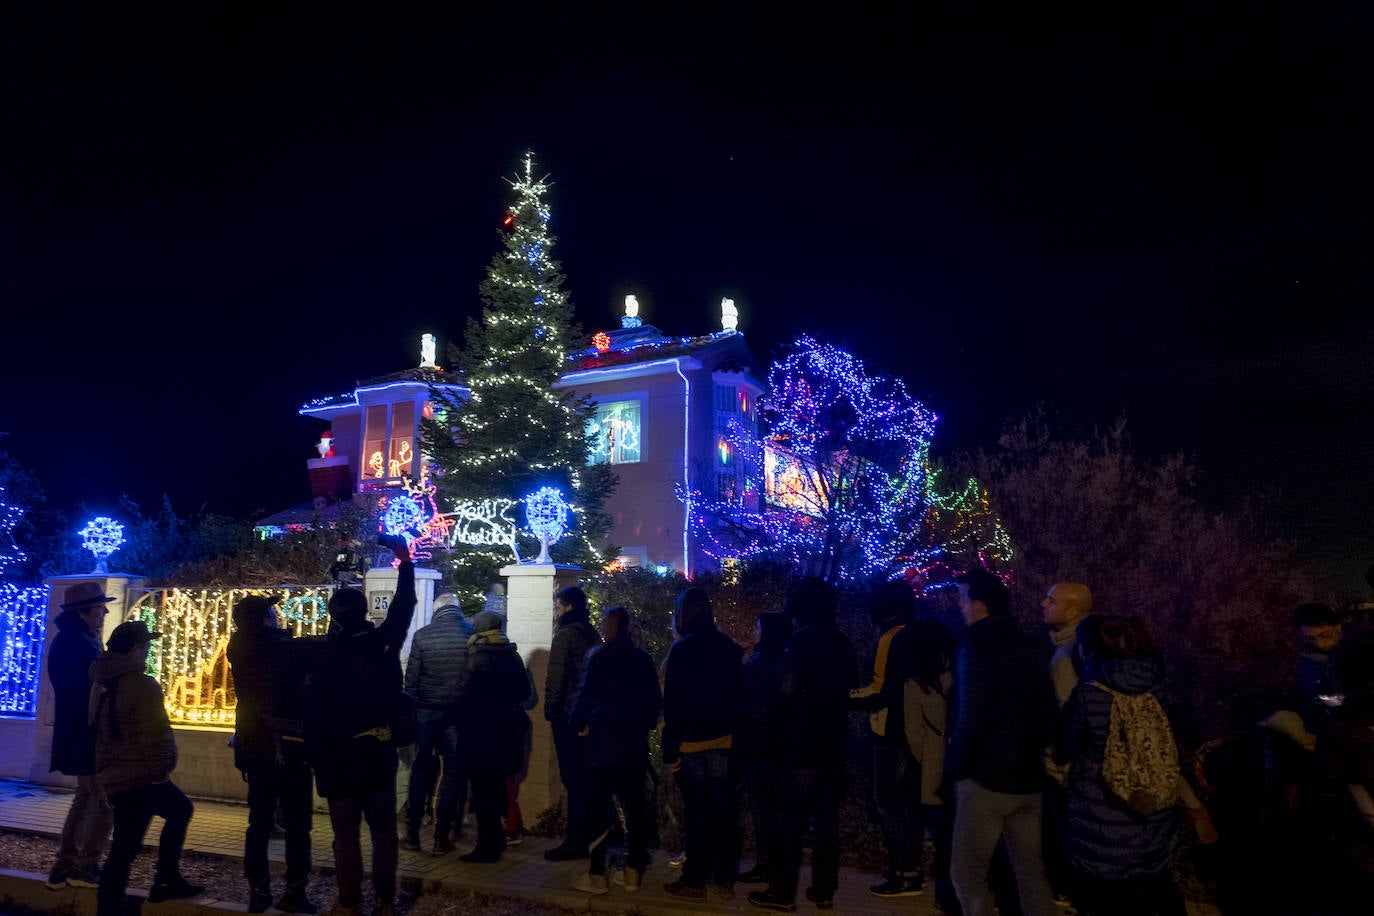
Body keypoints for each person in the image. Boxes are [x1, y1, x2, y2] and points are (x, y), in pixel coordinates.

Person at [304, 536, 415, 916]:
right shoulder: (382, 643)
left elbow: (314, 714)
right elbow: (404, 607)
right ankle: (384, 902)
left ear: (334, 616)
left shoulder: (325, 658)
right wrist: (405, 561)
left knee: (345, 836)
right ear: (365, 610)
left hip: (339, 759)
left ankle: (349, 902)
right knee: (384, 834)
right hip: (377, 755)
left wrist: (310, 753)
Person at [946, 568, 1058, 916]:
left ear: (979, 604)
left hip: (987, 779)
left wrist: (955, 769)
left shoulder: (975, 648)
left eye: (963, 599)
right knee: (1030, 873)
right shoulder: (1031, 646)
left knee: (967, 873)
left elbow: (970, 718)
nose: (961, 608)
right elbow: (1049, 714)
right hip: (1028, 779)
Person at [1061, 615, 1185, 916]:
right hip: (1154, 810)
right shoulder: (1158, 689)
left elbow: (1067, 744)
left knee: (1107, 899)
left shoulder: (1089, 693)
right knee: (1154, 886)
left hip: (1103, 811)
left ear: (1091, 651)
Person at [747, 577, 856, 913]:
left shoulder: (800, 642)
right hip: (833, 744)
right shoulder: (842, 643)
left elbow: (788, 690)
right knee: (826, 823)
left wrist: (770, 715)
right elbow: (847, 688)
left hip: (798, 746)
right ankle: (823, 889)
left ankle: (782, 892)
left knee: (788, 823)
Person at [91, 620, 203, 916]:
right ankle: (160, 881)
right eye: (145, 646)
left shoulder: (100, 682)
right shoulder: (142, 686)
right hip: (141, 776)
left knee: (127, 843)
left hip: (115, 774)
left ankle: (118, 900)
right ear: (135, 649)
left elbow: (95, 730)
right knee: (135, 840)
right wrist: (160, 771)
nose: (148, 652)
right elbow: (154, 734)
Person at [228, 593, 324, 914]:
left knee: (259, 822)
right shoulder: (279, 650)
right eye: (271, 611)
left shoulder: (240, 648)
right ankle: (294, 891)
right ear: (263, 620)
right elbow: (309, 653)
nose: (276, 614)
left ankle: (259, 890)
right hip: (287, 748)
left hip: (254, 747)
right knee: (298, 825)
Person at [569, 606, 663, 894]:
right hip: (632, 746)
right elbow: (653, 703)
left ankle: (598, 874)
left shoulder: (600, 659)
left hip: (601, 747)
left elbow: (586, 697)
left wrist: (577, 724)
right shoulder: (642, 661)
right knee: (634, 810)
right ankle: (633, 871)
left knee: (598, 810)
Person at [662, 586, 742, 901]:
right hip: (724, 741)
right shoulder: (728, 648)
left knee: (697, 813)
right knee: (724, 811)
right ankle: (723, 878)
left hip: (692, 745)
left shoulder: (681, 652)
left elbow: (674, 705)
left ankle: (695, 878)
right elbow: (738, 698)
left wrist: (671, 749)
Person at [849, 579, 923, 897]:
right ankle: (914, 870)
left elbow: (879, 689)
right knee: (910, 804)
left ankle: (903, 872)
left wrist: (843, 697)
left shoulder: (891, 638)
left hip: (889, 730)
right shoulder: (920, 634)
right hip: (918, 731)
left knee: (888, 802)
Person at [45, 582, 116, 892]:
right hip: (85, 735)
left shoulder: (79, 641)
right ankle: (84, 865)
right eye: (100, 607)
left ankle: (67, 864)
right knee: (100, 799)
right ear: (83, 611)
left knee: (88, 796)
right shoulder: (72, 645)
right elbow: (82, 692)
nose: (105, 612)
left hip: (82, 734)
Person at [452, 608, 533, 863]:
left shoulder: (476, 657)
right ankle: (496, 839)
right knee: (497, 788)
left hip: (479, 734)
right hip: (506, 732)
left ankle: (487, 847)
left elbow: (461, 697)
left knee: (482, 792)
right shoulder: (512, 655)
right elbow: (523, 694)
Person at [402, 591, 473, 855]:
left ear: (436, 610)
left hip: (425, 712)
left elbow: (411, 682)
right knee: (453, 773)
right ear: (457, 608)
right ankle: (441, 837)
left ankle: (411, 833)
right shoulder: (470, 633)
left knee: (420, 769)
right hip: (457, 714)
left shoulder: (422, 635)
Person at [1041, 581, 1093, 905]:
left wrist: (1058, 756)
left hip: (1066, 765)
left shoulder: (1068, 654)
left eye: (1051, 600)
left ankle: (1073, 892)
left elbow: (1066, 713)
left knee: (1068, 831)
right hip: (1073, 762)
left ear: (1072, 611)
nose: (1043, 604)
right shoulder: (1074, 648)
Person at [543, 585, 602, 861]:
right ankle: (594, 835)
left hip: (568, 715)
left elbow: (556, 677)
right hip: (589, 715)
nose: (555, 613)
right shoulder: (591, 633)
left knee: (573, 778)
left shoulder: (565, 635)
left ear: (567, 607)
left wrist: (552, 710)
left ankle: (576, 840)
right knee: (587, 778)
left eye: (557, 607)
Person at [905, 617, 960, 914]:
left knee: (942, 839)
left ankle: (946, 894)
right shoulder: (960, 675)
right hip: (965, 766)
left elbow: (913, 736)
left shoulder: (915, 685)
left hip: (935, 771)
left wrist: (927, 762)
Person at [735, 612, 792, 885]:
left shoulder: (756, 665)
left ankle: (766, 863)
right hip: (781, 745)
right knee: (777, 808)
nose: (755, 632)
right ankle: (775, 862)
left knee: (762, 808)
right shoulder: (788, 661)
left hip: (756, 746)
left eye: (758, 628)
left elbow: (742, 701)